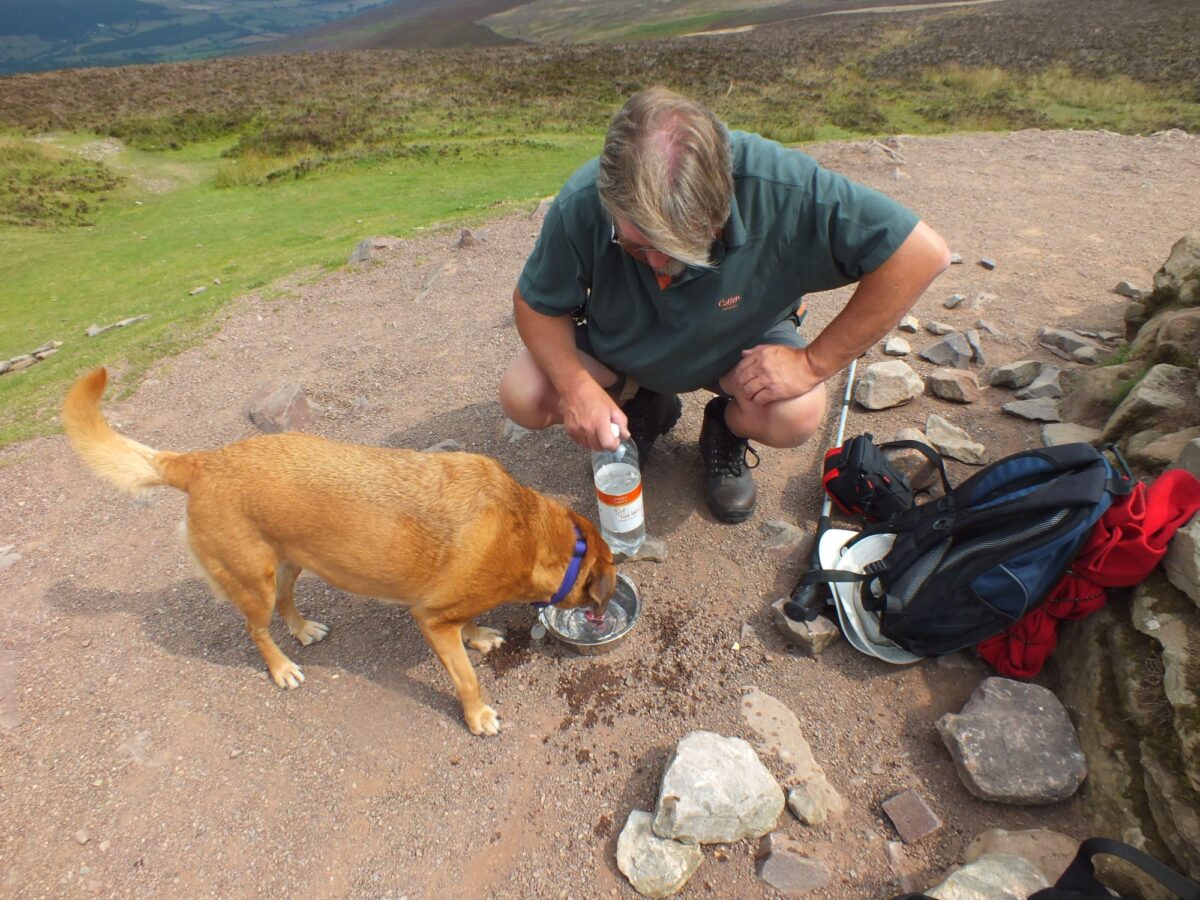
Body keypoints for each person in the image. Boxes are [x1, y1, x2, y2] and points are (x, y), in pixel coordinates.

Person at [499, 87, 950, 524]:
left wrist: (812, 363)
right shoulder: (586, 198)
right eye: (636, 245)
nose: (658, 264)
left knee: (797, 414)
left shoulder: (780, 184)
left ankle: (727, 428)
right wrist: (579, 389)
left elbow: (920, 254)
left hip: (738, 351)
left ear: (721, 205)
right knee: (525, 394)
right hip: (622, 345)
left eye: (680, 246)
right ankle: (646, 402)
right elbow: (535, 303)